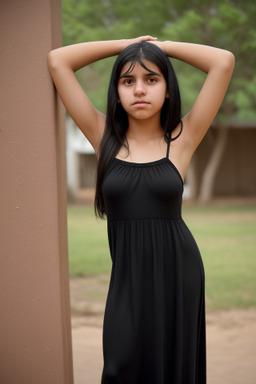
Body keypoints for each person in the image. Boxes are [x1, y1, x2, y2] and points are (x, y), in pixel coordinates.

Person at [48, 36, 234, 383]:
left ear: (167, 88)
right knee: (120, 367)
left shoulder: (183, 137)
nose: (139, 90)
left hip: (179, 273)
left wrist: (162, 46)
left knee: (172, 367)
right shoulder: (102, 134)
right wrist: (127, 44)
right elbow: (59, 61)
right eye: (127, 81)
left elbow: (222, 61)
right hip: (127, 279)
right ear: (117, 91)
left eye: (152, 79)